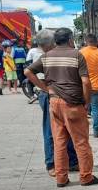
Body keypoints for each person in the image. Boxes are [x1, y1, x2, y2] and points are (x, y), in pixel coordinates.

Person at [24, 27, 98, 187]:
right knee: (81, 142)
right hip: (73, 103)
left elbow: (27, 72)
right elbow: (86, 82)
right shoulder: (76, 55)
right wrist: (86, 102)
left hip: (54, 103)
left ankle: (61, 178)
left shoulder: (46, 57)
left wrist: (45, 88)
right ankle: (86, 177)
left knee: (59, 142)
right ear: (71, 39)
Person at [27, 31, 79, 176]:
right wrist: (46, 89)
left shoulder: (51, 54)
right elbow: (28, 72)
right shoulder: (43, 56)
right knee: (51, 131)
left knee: (66, 130)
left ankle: (71, 161)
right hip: (50, 95)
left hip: (59, 95)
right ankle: (52, 164)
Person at [80, 33, 98, 137]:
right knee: (96, 108)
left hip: (83, 85)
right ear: (96, 42)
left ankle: (83, 132)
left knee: (83, 109)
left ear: (86, 41)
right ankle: (96, 131)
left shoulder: (80, 52)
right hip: (96, 85)